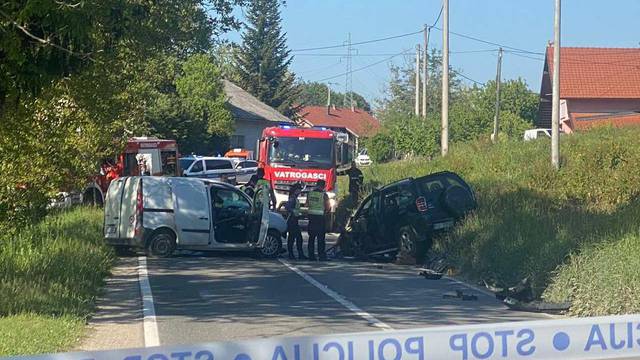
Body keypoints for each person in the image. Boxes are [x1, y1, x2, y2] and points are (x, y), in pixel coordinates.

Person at [306, 179, 329, 261]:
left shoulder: (310, 193)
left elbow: (307, 203)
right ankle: (321, 255)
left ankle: (311, 255)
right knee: (321, 238)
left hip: (311, 217)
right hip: (320, 218)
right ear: (323, 186)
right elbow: (327, 207)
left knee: (311, 237)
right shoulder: (324, 195)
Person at [285, 183, 306, 260]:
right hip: (292, 220)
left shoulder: (294, 198)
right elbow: (287, 206)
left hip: (294, 220)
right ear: (296, 190)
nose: (300, 192)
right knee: (296, 238)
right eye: (299, 190)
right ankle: (295, 254)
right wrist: (293, 212)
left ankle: (294, 254)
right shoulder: (292, 198)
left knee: (293, 238)